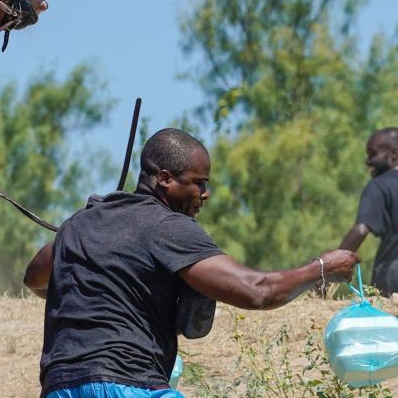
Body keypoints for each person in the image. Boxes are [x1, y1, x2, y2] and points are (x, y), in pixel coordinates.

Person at [25, 128, 359, 398]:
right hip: (129, 384)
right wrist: (320, 269)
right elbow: (256, 291)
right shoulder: (169, 227)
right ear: (166, 179)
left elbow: (35, 276)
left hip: (59, 388)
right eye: (199, 182)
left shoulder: (81, 223)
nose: (205, 193)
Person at [339, 127, 398, 295]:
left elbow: (360, 231)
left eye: (373, 154)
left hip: (391, 281)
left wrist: (329, 269)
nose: (368, 161)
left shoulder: (379, 186)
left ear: (394, 154)